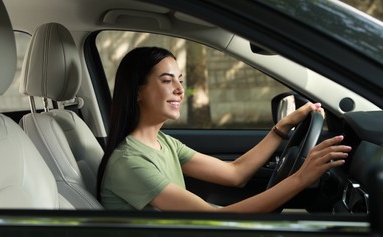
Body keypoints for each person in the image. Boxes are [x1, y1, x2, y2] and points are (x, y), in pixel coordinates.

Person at [97, 46, 351, 213]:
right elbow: (216, 218)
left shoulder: (164, 142)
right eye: (167, 80)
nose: (179, 89)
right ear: (138, 91)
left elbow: (235, 173)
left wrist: (282, 128)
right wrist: (301, 178)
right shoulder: (129, 162)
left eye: (180, 80)